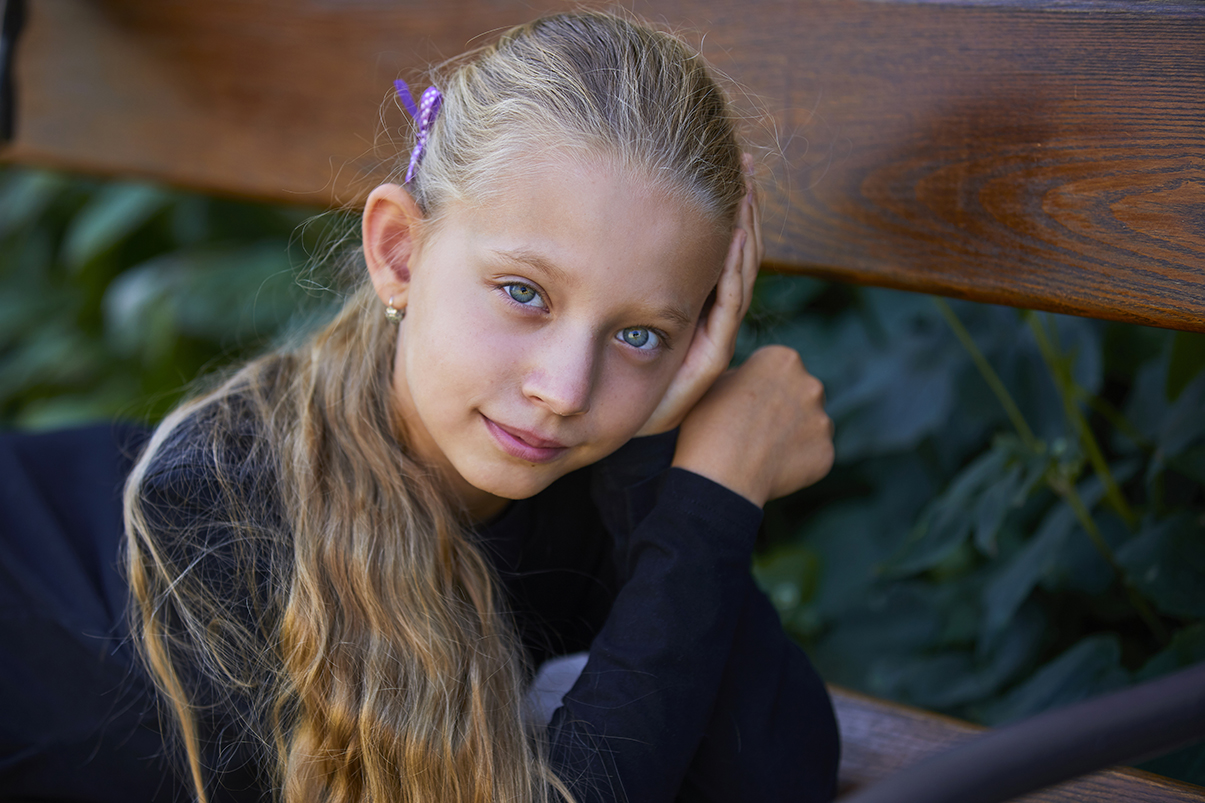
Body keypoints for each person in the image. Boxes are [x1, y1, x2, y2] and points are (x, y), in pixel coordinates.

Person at [0, 10, 838, 802]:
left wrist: (684, 478)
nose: (564, 390)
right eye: (523, 292)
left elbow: (771, 777)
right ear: (399, 252)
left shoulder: (583, 481)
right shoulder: (222, 506)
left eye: (640, 335)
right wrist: (710, 493)